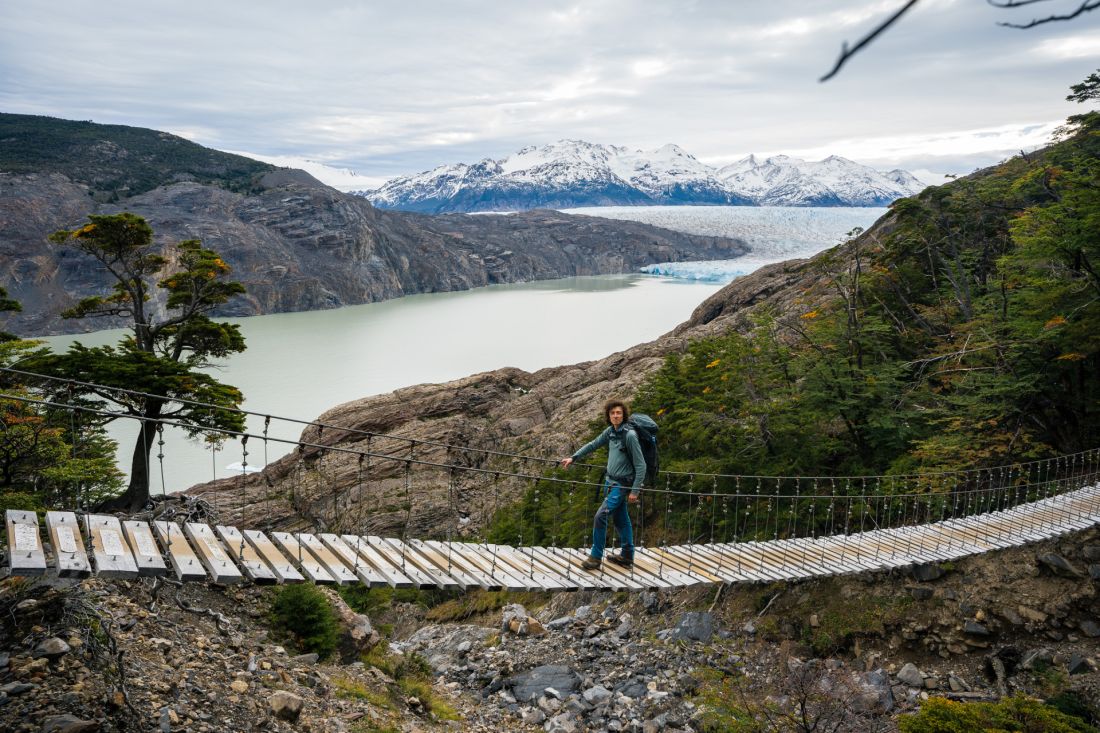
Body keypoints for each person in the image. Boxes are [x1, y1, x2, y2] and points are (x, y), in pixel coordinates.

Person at [560, 399, 645, 570]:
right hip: (610, 482)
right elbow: (593, 444)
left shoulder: (630, 435)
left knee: (600, 516)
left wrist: (635, 491)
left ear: (624, 415)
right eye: (612, 413)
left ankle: (595, 557)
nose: (615, 416)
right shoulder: (610, 432)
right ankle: (627, 556)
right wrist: (574, 457)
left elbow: (641, 465)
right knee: (621, 519)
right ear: (608, 415)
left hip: (622, 485)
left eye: (619, 413)